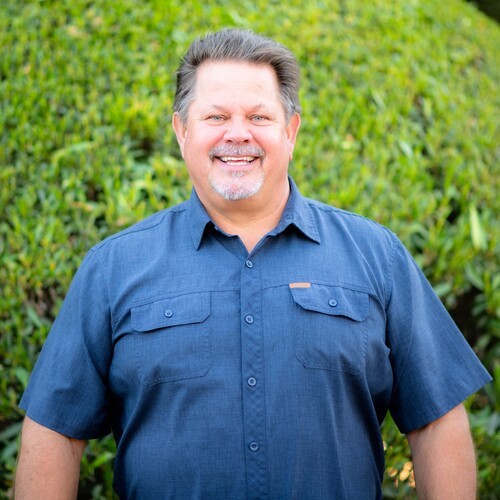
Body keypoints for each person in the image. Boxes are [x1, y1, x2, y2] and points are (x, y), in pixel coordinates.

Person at [15, 28, 491, 499]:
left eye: (259, 117)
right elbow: (56, 431)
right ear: (182, 131)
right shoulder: (113, 267)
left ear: (290, 131)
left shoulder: (376, 256)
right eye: (216, 116)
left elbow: (436, 421)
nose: (238, 134)